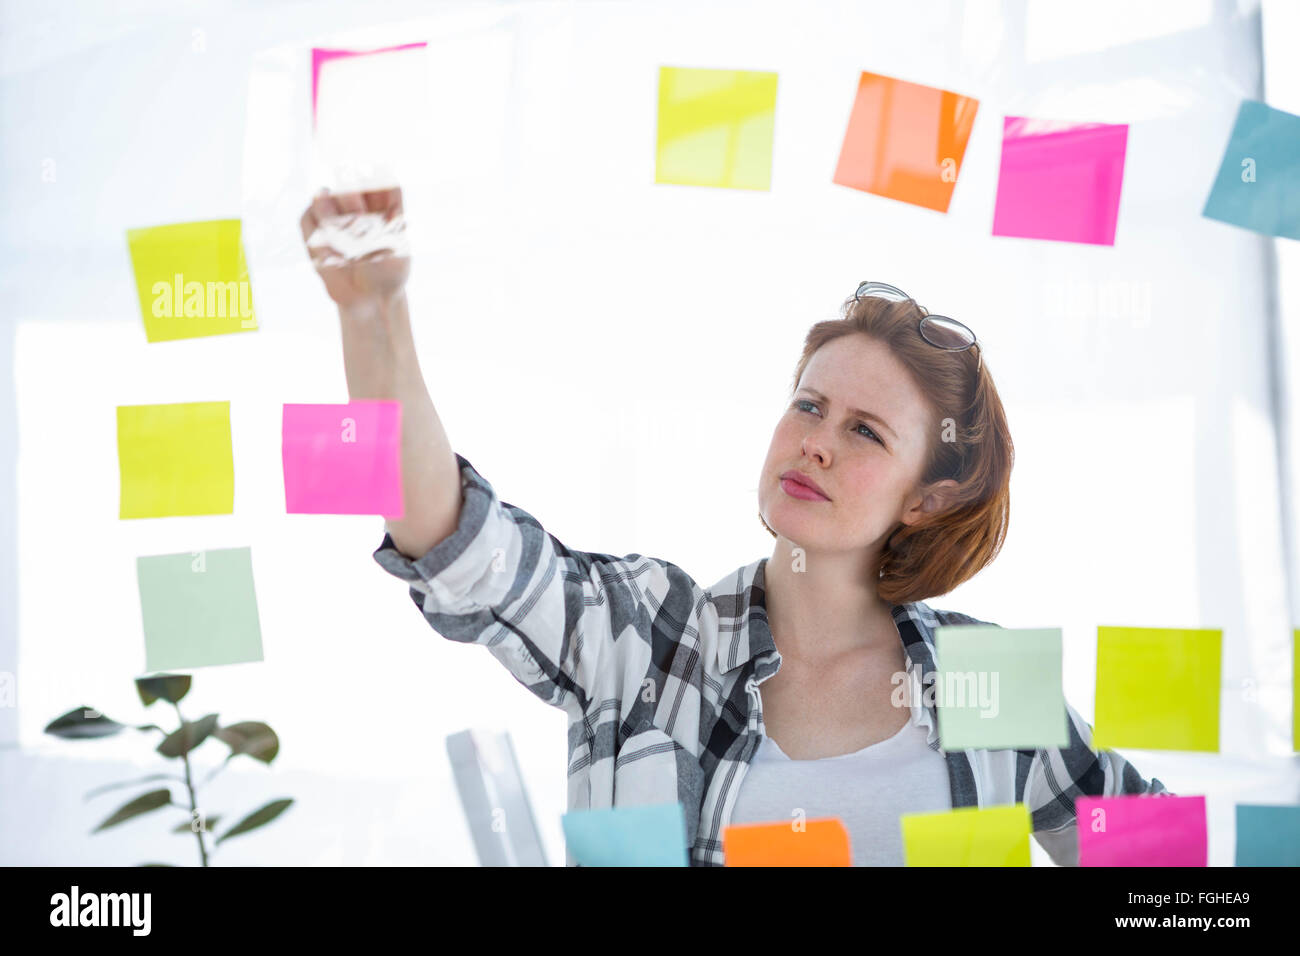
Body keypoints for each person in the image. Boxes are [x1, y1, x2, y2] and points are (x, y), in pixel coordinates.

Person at [300, 186, 1169, 867]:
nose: (816, 444)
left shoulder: (991, 681)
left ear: (925, 498)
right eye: (809, 405)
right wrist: (373, 315)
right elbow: (453, 542)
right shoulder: (647, 632)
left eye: (864, 431)